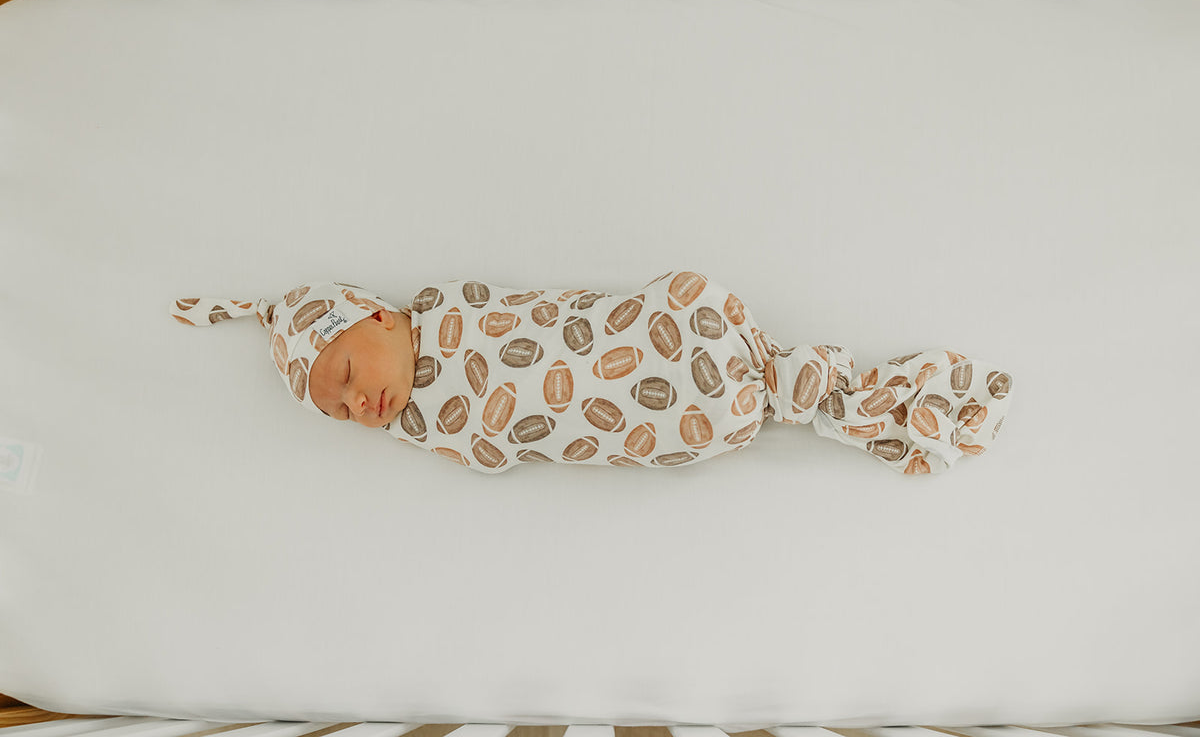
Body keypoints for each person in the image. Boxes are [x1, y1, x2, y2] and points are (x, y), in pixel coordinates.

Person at [169, 270, 1013, 474]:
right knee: (659, 420)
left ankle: (814, 387)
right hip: (641, 419)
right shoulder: (429, 427)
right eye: (341, 410)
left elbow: (550, 317)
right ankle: (823, 402)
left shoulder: (451, 309)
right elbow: (505, 443)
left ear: (380, 315)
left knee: (657, 321)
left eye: (349, 371)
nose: (360, 401)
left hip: (653, 338)